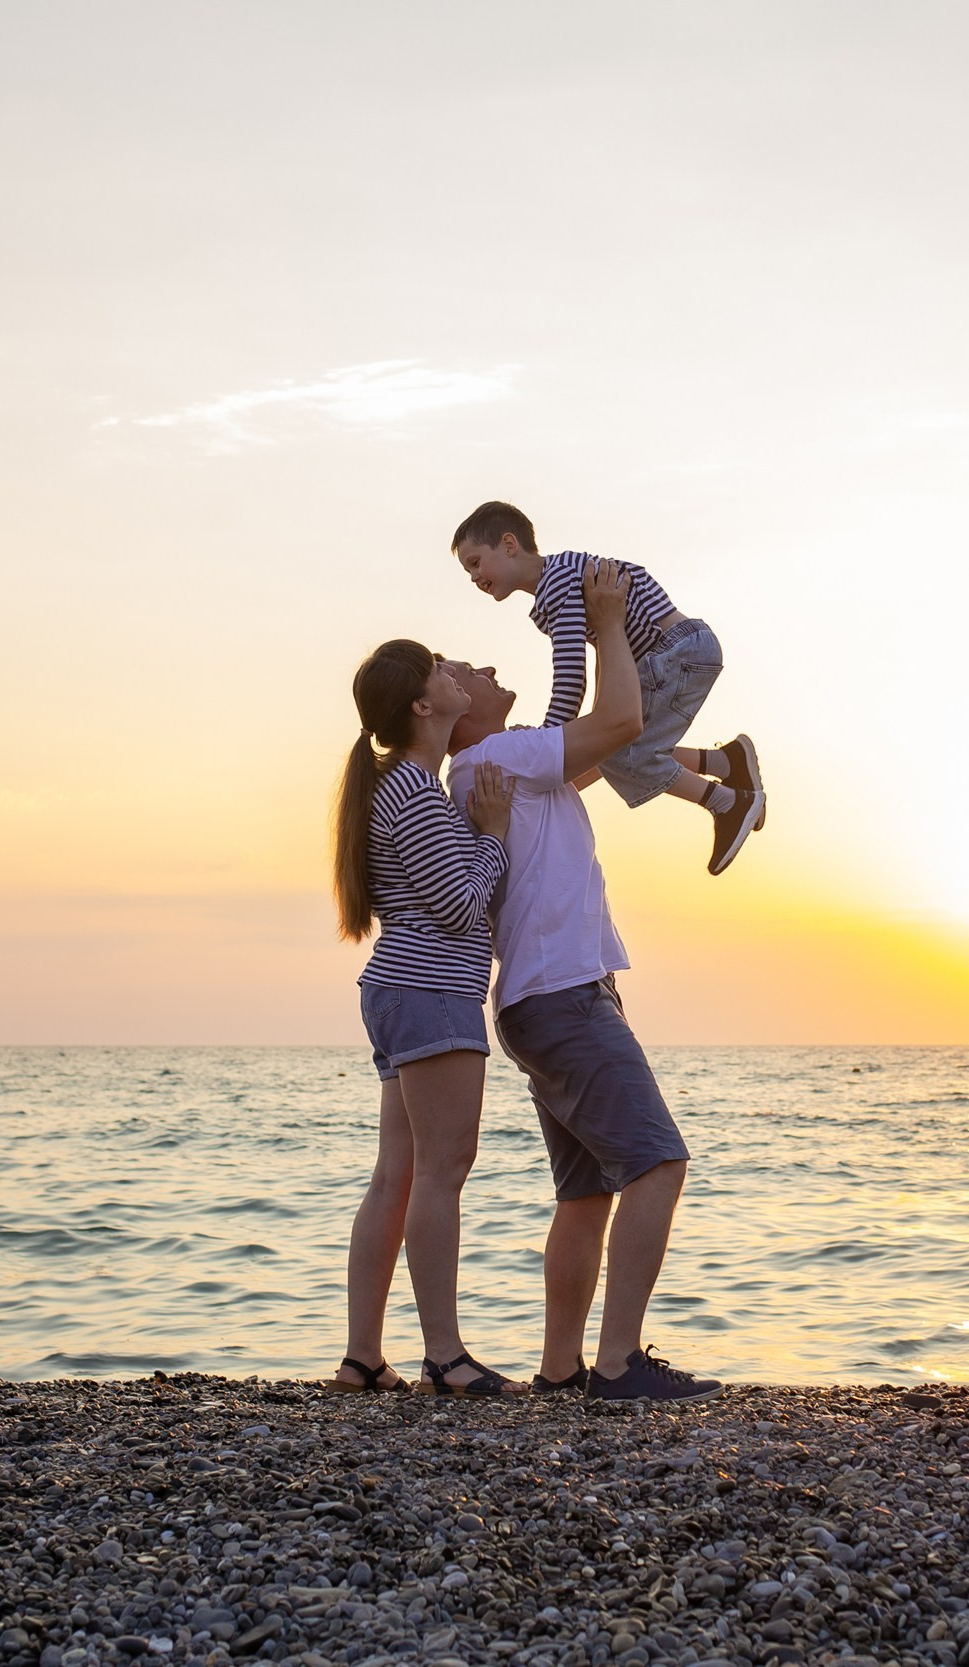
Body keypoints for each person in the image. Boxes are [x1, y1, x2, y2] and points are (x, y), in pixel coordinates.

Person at [441, 560, 725, 1402]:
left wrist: (696, 767)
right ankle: (618, 1364)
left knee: (587, 1188)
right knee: (657, 1163)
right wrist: (605, 618)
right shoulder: (498, 754)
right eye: (463, 671)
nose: (485, 669)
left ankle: (562, 1368)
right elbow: (623, 715)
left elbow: (623, 746)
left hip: (547, 997)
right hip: (564, 996)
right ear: (451, 713)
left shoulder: (511, 763)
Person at [328, 639, 524, 1397]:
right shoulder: (411, 790)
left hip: (402, 989)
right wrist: (496, 832)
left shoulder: (402, 788)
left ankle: (363, 1359)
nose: (454, 674)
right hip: (431, 990)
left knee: (398, 1176)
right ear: (422, 703)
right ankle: (443, 1355)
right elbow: (461, 904)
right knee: (442, 1172)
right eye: (440, 669)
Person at [450, 499, 768, 877]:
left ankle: (727, 803)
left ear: (508, 544)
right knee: (616, 748)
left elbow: (570, 675)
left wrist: (550, 739)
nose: (474, 577)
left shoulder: (557, 584)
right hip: (675, 648)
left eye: (475, 562)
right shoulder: (559, 582)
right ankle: (726, 761)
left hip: (673, 651)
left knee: (620, 755)